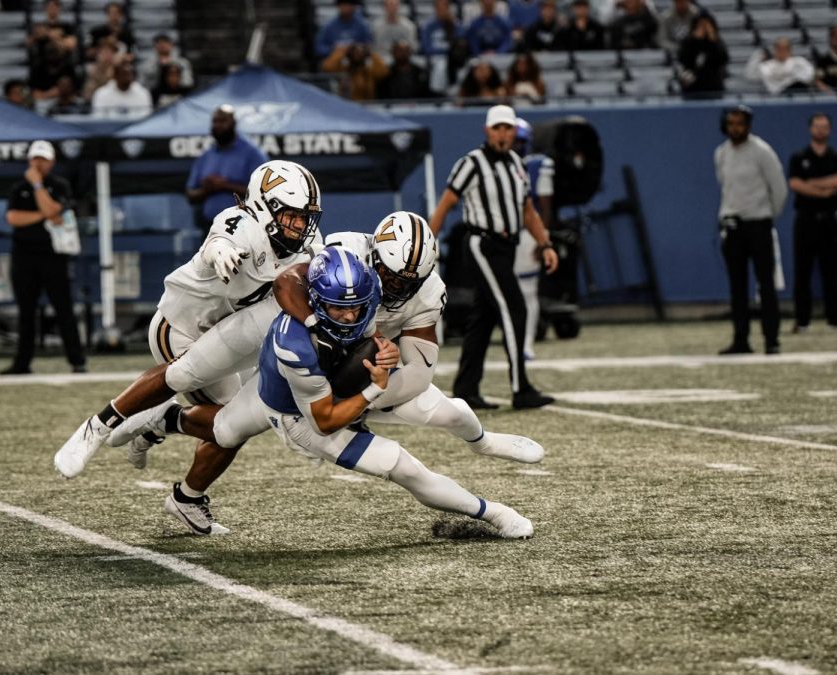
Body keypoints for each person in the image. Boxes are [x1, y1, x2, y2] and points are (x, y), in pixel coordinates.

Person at [127, 247, 537, 539]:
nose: (349, 314)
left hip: (316, 384)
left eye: (357, 306)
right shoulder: (299, 339)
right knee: (406, 468)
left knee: (223, 430)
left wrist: (381, 352)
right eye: (338, 307)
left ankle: (167, 421)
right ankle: (494, 512)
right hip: (295, 408)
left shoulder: (360, 289)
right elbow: (323, 418)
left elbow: (399, 353)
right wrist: (375, 387)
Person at [53, 161, 325, 494]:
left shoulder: (307, 245)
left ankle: (166, 441)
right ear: (264, 208)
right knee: (222, 417)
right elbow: (219, 240)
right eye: (292, 216)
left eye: (305, 217)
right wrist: (220, 252)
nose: (301, 227)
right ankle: (96, 427)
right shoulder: (243, 224)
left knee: (232, 426)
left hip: (226, 335)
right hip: (181, 325)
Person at [428, 105, 559, 410]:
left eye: (507, 128)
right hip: (482, 243)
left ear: (515, 131)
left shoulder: (516, 163)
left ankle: (466, 389)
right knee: (514, 307)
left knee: (484, 317)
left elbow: (527, 209)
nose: (502, 134)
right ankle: (521, 387)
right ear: (487, 131)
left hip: (507, 246)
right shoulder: (471, 163)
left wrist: (546, 243)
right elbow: (447, 202)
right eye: (497, 128)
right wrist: (428, 241)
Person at [1, 140, 86, 376]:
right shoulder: (18, 188)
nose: (38, 163)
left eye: (43, 159)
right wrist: (44, 215)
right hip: (24, 256)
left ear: (52, 161)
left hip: (54, 257)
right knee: (26, 311)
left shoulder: (59, 185)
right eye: (35, 158)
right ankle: (22, 363)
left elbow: (54, 211)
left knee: (63, 308)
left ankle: (77, 360)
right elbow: (13, 218)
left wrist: (38, 186)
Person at [714, 105, 788, 355]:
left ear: (748, 125)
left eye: (740, 123)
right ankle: (741, 339)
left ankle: (771, 339)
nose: (735, 128)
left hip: (758, 224)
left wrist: (766, 215)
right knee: (737, 286)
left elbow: (779, 188)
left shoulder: (762, 151)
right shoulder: (721, 153)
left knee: (765, 284)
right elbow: (724, 185)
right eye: (731, 123)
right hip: (733, 226)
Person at [788, 113, 837, 334]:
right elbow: (795, 184)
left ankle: (835, 320)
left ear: (829, 130)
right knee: (802, 272)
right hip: (805, 220)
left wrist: (810, 183)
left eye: (825, 127)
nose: (821, 130)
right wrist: (823, 190)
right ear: (810, 128)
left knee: (831, 272)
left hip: (830, 221)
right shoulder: (798, 157)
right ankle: (802, 321)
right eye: (817, 126)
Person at [184, 104, 267, 233]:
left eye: (223, 121)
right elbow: (190, 194)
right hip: (210, 228)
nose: (218, 125)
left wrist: (225, 186)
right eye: (215, 121)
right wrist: (208, 189)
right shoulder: (206, 156)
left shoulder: (252, 153)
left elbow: (264, 193)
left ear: (233, 123)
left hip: (243, 228)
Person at [511, 118, 555, 360]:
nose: (514, 145)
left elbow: (545, 206)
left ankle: (525, 344)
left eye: (519, 141)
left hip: (527, 233)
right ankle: (514, 341)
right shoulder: (493, 164)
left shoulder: (538, 165)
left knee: (527, 291)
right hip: (502, 235)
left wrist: (543, 239)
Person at [677, 14, 727, 99]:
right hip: (692, 88)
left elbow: (723, 58)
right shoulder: (688, 42)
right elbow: (683, 58)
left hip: (714, 87)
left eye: (706, 25)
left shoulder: (717, 41)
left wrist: (713, 40)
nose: (704, 29)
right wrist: (695, 40)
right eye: (700, 25)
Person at [321, 42, 390, 102]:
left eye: (360, 52)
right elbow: (326, 67)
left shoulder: (369, 67)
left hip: (368, 103)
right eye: (355, 52)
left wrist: (371, 54)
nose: (358, 55)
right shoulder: (344, 65)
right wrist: (342, 52)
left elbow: (384, 72)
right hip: (346, 102)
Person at [745, 37, 814, 95]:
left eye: (785, 49)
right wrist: (757, 58)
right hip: (777, 95)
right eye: (779, 49)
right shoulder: (767, 66)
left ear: (790, 50)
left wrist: (791, 79)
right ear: (774, 50)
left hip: (798, 93)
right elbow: (751, 76)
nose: (782, 52)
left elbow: (810, 75)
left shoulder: (799, 62)